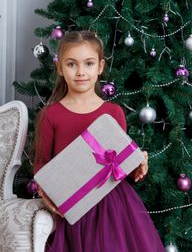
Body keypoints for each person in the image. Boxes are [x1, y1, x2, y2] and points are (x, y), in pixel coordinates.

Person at [34, 30, 165, 252]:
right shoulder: (51, 114)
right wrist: (45, 193)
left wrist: (139, 164)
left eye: (88, 63)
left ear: (100, 67)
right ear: (60, 68)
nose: (80, 72)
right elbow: (41, 163)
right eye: (72, 64)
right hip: (72, 207)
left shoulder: (113, 113)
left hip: (112, 208)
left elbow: (122, 165)